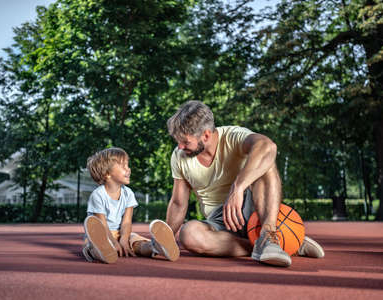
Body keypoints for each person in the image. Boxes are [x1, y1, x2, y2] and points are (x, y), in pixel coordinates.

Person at [165, 100, 324, 267]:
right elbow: (178, 203)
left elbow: (268, 146)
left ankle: (269, 235)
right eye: (178, 141)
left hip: (252, 208)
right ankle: (282, 242)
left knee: (265, 161)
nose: (180, 146)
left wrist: (238, 188)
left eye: (185, 142)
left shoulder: (233, 136)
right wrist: (165, 238)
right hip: (220, 222)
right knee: (188, 234)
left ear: (205, 135)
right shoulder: (179, 156)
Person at [82, 147, 180, 264]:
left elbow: (127, 222)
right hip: (102, 233)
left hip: (121, 233)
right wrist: (113, 242)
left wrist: (124, 239)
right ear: (107, 174)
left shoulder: (128, 193)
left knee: (135, 241)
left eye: (127, 165)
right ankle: (100, 252)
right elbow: (102, 224)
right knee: (94, 243)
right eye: (123, 166)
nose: (128, 169)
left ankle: (156, 247)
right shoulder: (97, 195)